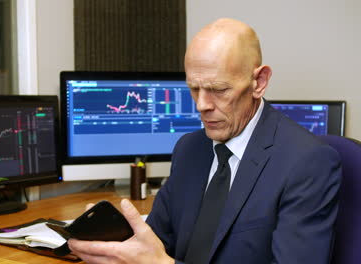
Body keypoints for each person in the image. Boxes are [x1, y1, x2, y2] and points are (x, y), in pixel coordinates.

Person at [68, 18, 342, 264]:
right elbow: (156, 242)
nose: (201, 105)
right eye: (193, 88)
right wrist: (114, 246)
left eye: (218, 90)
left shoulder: (307, 162)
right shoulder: (190, 148)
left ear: (259, 81)